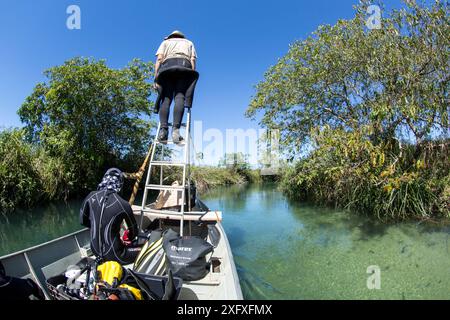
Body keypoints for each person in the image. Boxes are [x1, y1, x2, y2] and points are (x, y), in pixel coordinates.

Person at [80, 168, 140, 265]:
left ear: (104, 179)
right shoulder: (123, 204)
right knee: (145, 249)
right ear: (120, 183)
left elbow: (83, 221)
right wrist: (123, 239)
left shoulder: (90, 197)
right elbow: (133, 233)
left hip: (95, 252)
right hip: (117, 256)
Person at [154, 30, 199, 144]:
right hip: (184, 67)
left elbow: (159, 59)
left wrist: (156, 78)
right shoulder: (189, 42)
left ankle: (163, 131)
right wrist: (191, 73)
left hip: (167, 68)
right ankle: (176, 131)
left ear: (171, 36)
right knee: (180, 97)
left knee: (166, 99)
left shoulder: (165, 43)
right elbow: (193, 59)